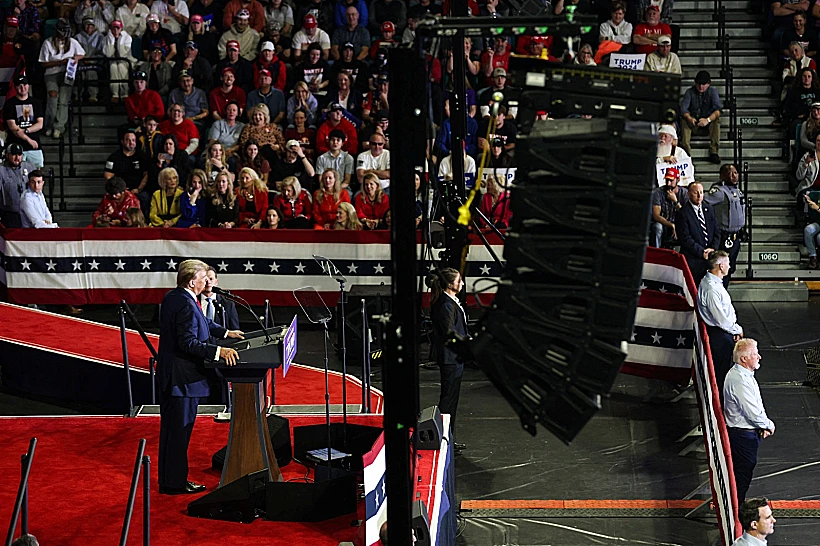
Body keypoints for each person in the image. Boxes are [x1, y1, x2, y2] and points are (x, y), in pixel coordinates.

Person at [157, 259, 243, 495]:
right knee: (178, 433)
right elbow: (188, 342)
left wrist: (226, 332)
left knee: (173, 432)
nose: (207, 281)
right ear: (191, 279)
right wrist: (219, 351)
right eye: (204, 277)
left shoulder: (177, 297)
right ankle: (174, 484)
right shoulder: (185, 303)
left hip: (176, 378)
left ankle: (169, 480)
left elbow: (203, 322)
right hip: (181, 381)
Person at [724, 338, 775, 506]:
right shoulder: (739, 380)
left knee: (744, 473)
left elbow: (755, 405)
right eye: (755, 354)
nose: (759, 357)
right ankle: (736, 510)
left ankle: (737, 504)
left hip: (747, 433)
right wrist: (767, 424)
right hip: (742, 436)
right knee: (742, 474)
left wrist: (761, 424)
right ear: (744, 359)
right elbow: (751, 411)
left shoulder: (744, 375)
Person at [429, 267, 468, 451]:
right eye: (459, 280)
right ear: (450, 283)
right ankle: (443, 438)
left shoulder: (450, 301)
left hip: (455, 358)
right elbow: (449, 333)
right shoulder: (445, 304)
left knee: (451, 400)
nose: (462, 283)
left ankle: (448, 438)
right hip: (450, 358)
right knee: (448, 400)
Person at [698, 251, 743, 397]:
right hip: (720, 336)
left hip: (723, 333)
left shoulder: (714, 283)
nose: (730, 266)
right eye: (728, 263)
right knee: (720, 374)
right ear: (721, 266)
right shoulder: (711, 288)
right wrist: (736, 330)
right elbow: (720, 319)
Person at [39, 18, 85, 139]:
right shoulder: (48, 43)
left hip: (67, 74)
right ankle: (49, 124)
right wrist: (60, 62)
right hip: (51, 74)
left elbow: (82, 53)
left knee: (64, 100)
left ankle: (59, 126)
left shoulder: (72, 42)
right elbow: (43, 63)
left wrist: (75, 59)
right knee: (53, 97)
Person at [705, 164, 745, 285]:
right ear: (722, 175)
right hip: (724, 236)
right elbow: (704, 201)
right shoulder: (719, 191)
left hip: (735, 235)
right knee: (721, 267)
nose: (733, 176)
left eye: (735, 173)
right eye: (729, 173)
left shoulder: (736, 190)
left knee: (730, 267)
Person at [677, 182, 720, 285]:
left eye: (701, 192)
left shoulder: (709, 209)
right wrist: (702, 252)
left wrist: (713, 249)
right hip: (693, 260)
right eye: (696, 192)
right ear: (688, 194)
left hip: (710, 258)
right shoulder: (682, 213)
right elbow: (685, 239)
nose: (699, 195)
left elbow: (717, 231)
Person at [3, 75, 45, 168]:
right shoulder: (10, 104)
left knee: (36, 174)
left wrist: (26, 130)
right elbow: (13, 127)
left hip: (34, 147)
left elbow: (40, 124)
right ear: (15, 87)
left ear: (28, 85)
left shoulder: (36, 102)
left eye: (25, 84)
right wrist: (28, 139)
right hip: (15, 147)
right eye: (19, 85)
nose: (23, 87)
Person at [104, 129, 151, 209]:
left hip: (138, 190)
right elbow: (108, 175)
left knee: (144, 197)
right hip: (119, 191)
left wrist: (138, 189)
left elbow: (146, 175)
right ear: (122, 141)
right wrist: (119, 189)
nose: (131, 142)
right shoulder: (114, 157)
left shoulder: (142, 156)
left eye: (133, 140)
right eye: (128, 140)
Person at [650, 167, 688, 248]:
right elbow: (656, 216)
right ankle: (657, 253)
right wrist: (671, 225)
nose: (668, 183)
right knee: (657, 227)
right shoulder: (658, 192)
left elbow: (686, 215)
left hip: (680, 223)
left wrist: (676, 201)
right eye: (667, 180)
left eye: (671, 180)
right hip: (664, 223)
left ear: (677, 180)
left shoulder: (684, 193)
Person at [0, 143, 35, 228]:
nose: (17, 158)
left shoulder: (29, 167)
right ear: (7, 155)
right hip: (10, 214)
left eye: (19, 154)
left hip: (28, 213)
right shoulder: (1, 170)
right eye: (14, 154)